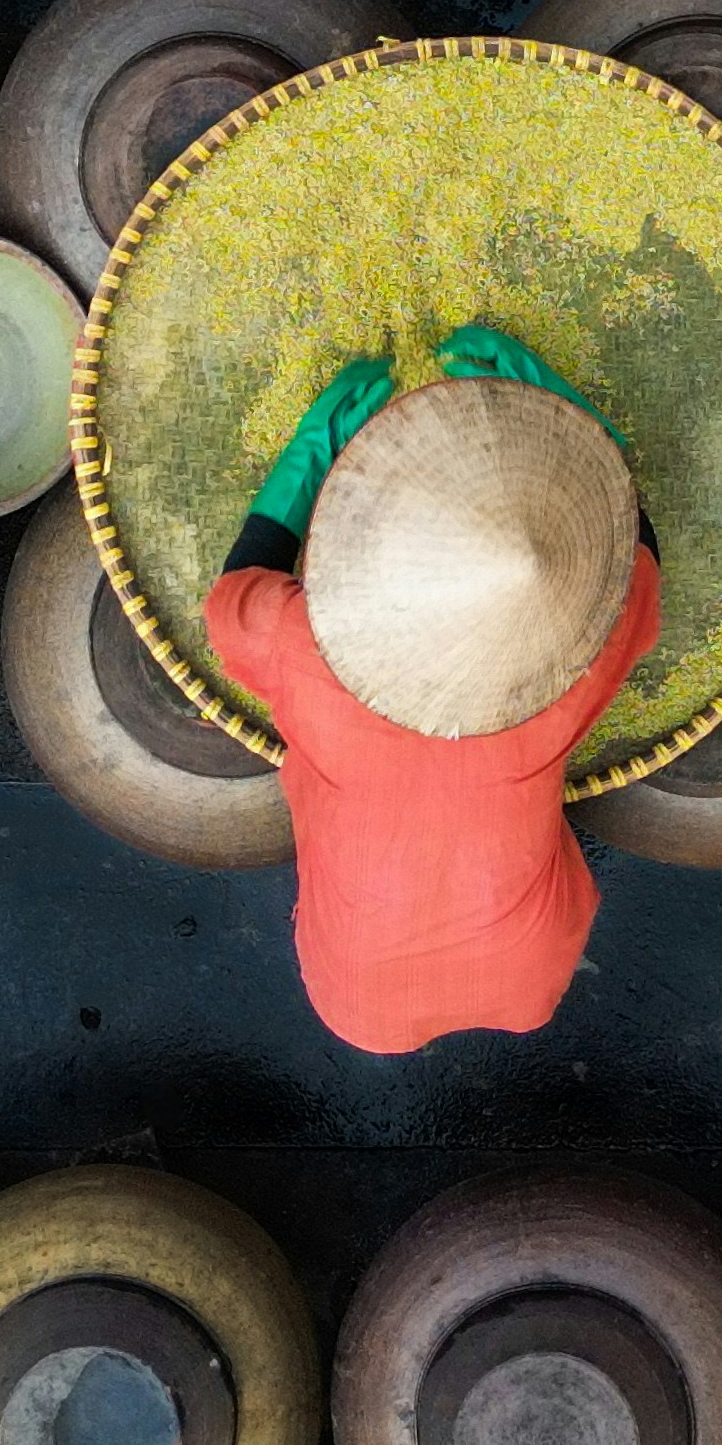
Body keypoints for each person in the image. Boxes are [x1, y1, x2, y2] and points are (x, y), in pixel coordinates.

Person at [201, 321, 657, 1056]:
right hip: (531, 974)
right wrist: (571, 417)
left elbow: (232, 597)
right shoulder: (570, 664)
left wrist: (311, 451)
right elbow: (638, 553)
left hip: (358, 1000)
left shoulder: (306, 648)